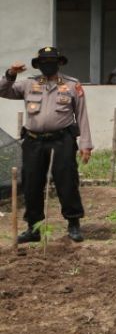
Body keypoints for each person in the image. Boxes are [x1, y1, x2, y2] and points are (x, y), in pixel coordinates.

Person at [1, 47, 93, 243]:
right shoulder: (28, 83)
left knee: (66, 181)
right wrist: (11, 74)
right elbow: (3, 90)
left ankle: (73, 223)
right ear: (38, 64)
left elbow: (82, 115)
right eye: (43, 62)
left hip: (62, 140)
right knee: (32, 183)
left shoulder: (71, 85)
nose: (47, 65)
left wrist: (86, 145)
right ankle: (34, 229)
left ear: (59, 63)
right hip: (34, 141)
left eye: (51, 61)